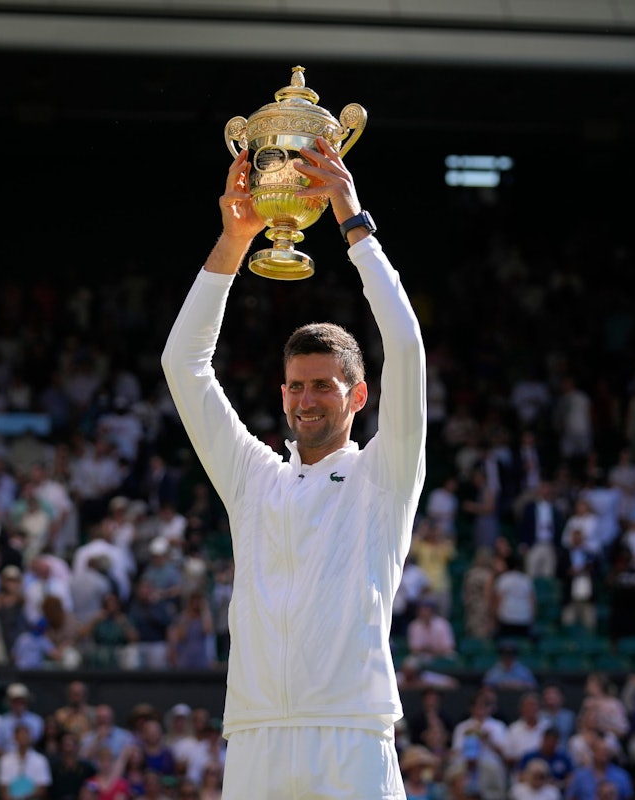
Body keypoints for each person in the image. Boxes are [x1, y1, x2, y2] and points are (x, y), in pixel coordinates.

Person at [160, 139, 426, 799]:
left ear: (357, 396)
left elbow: (406, 348)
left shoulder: (383, 476)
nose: (305, 400)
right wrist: (234, 240)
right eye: (295, 386)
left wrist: (352, 223)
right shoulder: (252, 477)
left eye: (323, 387)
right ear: (281, 393)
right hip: (254, 735)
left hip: (350, 732)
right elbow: (182, 367)